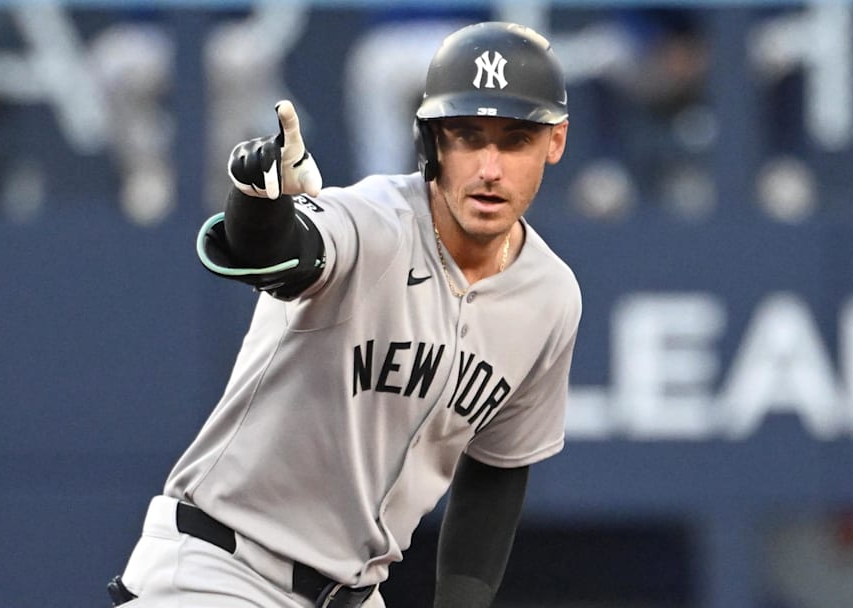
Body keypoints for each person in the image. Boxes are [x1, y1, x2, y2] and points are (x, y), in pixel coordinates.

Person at [109, 21, 581, 608]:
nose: (489, 166)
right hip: (223, 572)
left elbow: (497, 469)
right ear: (431, 139)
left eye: (514, 139)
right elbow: (281, 255)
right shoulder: (374, 221)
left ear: (555, 142)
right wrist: (260, 205)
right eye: (465, 135)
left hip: (356, 593)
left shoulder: (551, 296)